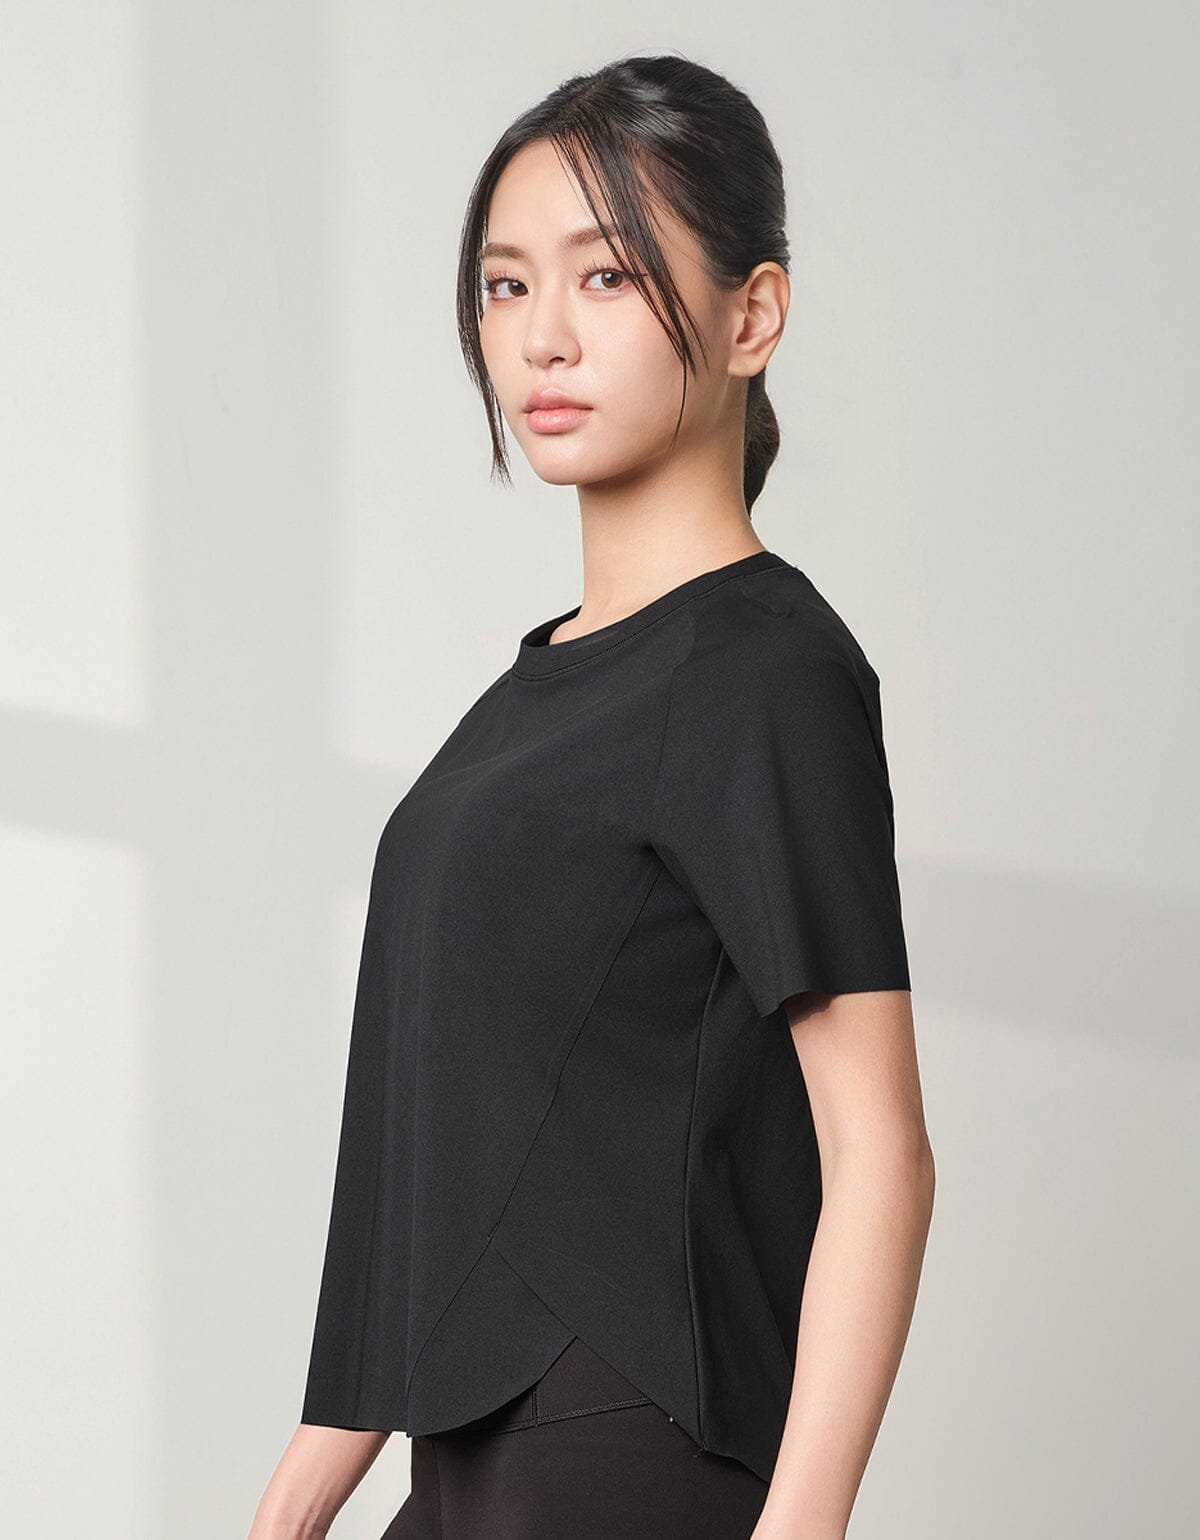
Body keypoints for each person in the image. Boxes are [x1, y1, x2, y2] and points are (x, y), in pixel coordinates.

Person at [249, 51, 935, 1540]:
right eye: (505, 285)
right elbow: (457, 1132)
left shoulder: (767, 669)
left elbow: (879, 1149)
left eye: (606, 276)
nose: (541, 336)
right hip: (466, 1453)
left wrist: (802, 1530)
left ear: (752, 316)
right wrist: (308, 1478)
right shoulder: (532, 698)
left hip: (625, 1451)